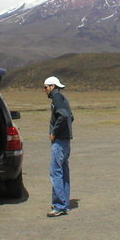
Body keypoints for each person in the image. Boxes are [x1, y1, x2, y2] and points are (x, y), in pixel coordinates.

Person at [43, 76, 74, 217]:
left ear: (52, 86)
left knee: (56, 172)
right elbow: (70, 117)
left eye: (45, 87)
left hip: (60, 141)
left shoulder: (57, 99)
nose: (44, 90)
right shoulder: (62, 99)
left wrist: (54, 132)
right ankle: (64, 203)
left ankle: (59, 206)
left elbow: (63, 117)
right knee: (63, 171)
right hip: (65, 140)